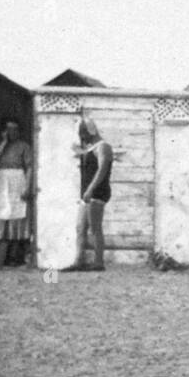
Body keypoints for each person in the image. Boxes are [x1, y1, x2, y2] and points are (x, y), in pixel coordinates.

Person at [0, 118, 33, 270]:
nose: (12, 133)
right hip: (2, 180)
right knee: (1, 213)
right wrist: (3, 142)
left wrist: (27, 186)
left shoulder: (24, 146)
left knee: (17, 214)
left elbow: (29, 167)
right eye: (9, 129)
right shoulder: (0, 146)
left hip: (17, 179)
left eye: (15, 129)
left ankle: (15, 256)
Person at [66, 116, 113, 271]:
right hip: (87, 192)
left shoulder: (103, 147)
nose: (82, 137)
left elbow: (102, 170)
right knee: (80, 227)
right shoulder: (91, 148)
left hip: (97, 191)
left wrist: (91, 189)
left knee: (95, 227)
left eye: (84, 133)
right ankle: (78, 261)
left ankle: (98, 263)